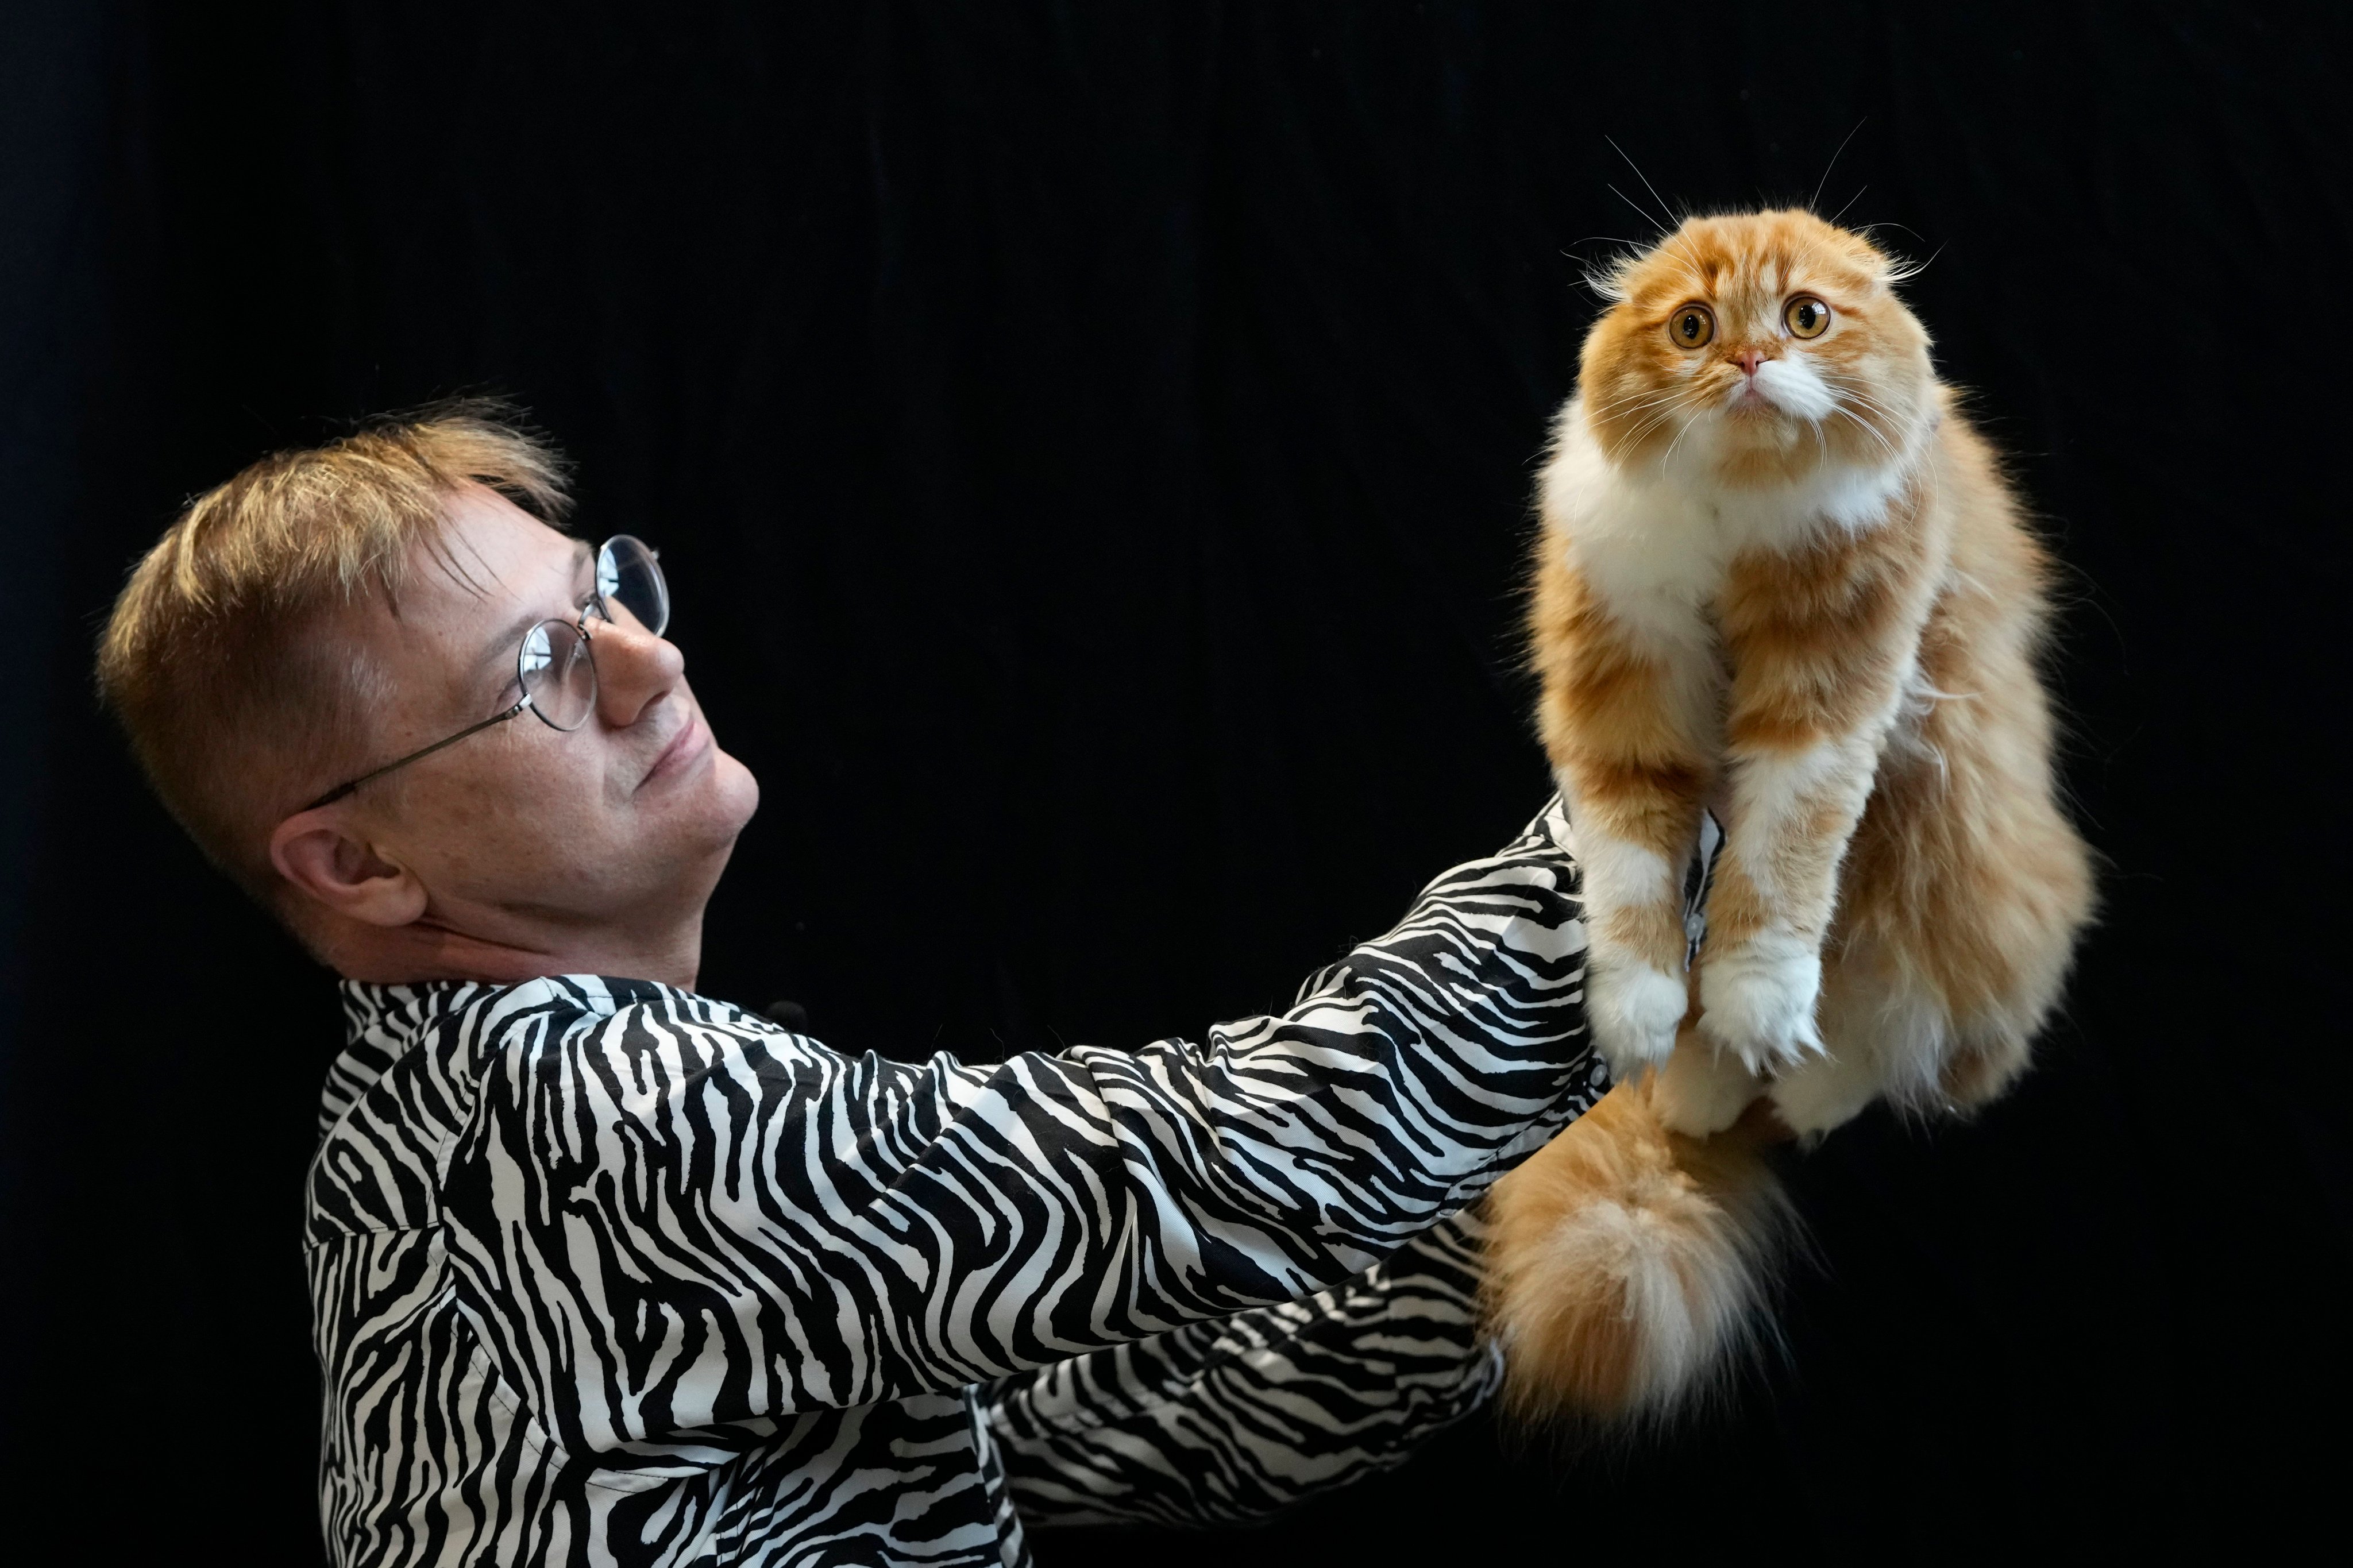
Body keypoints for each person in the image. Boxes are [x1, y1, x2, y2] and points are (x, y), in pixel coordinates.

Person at [95, 407, 1607, 1567]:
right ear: (355, 865)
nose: (648, 665)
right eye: (541, 669)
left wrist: (1575, 1196)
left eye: (604, 593)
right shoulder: (585, 1120)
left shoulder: (436, 1113)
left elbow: (1130, 1425)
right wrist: (1674, 818)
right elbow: (1239, 1162)